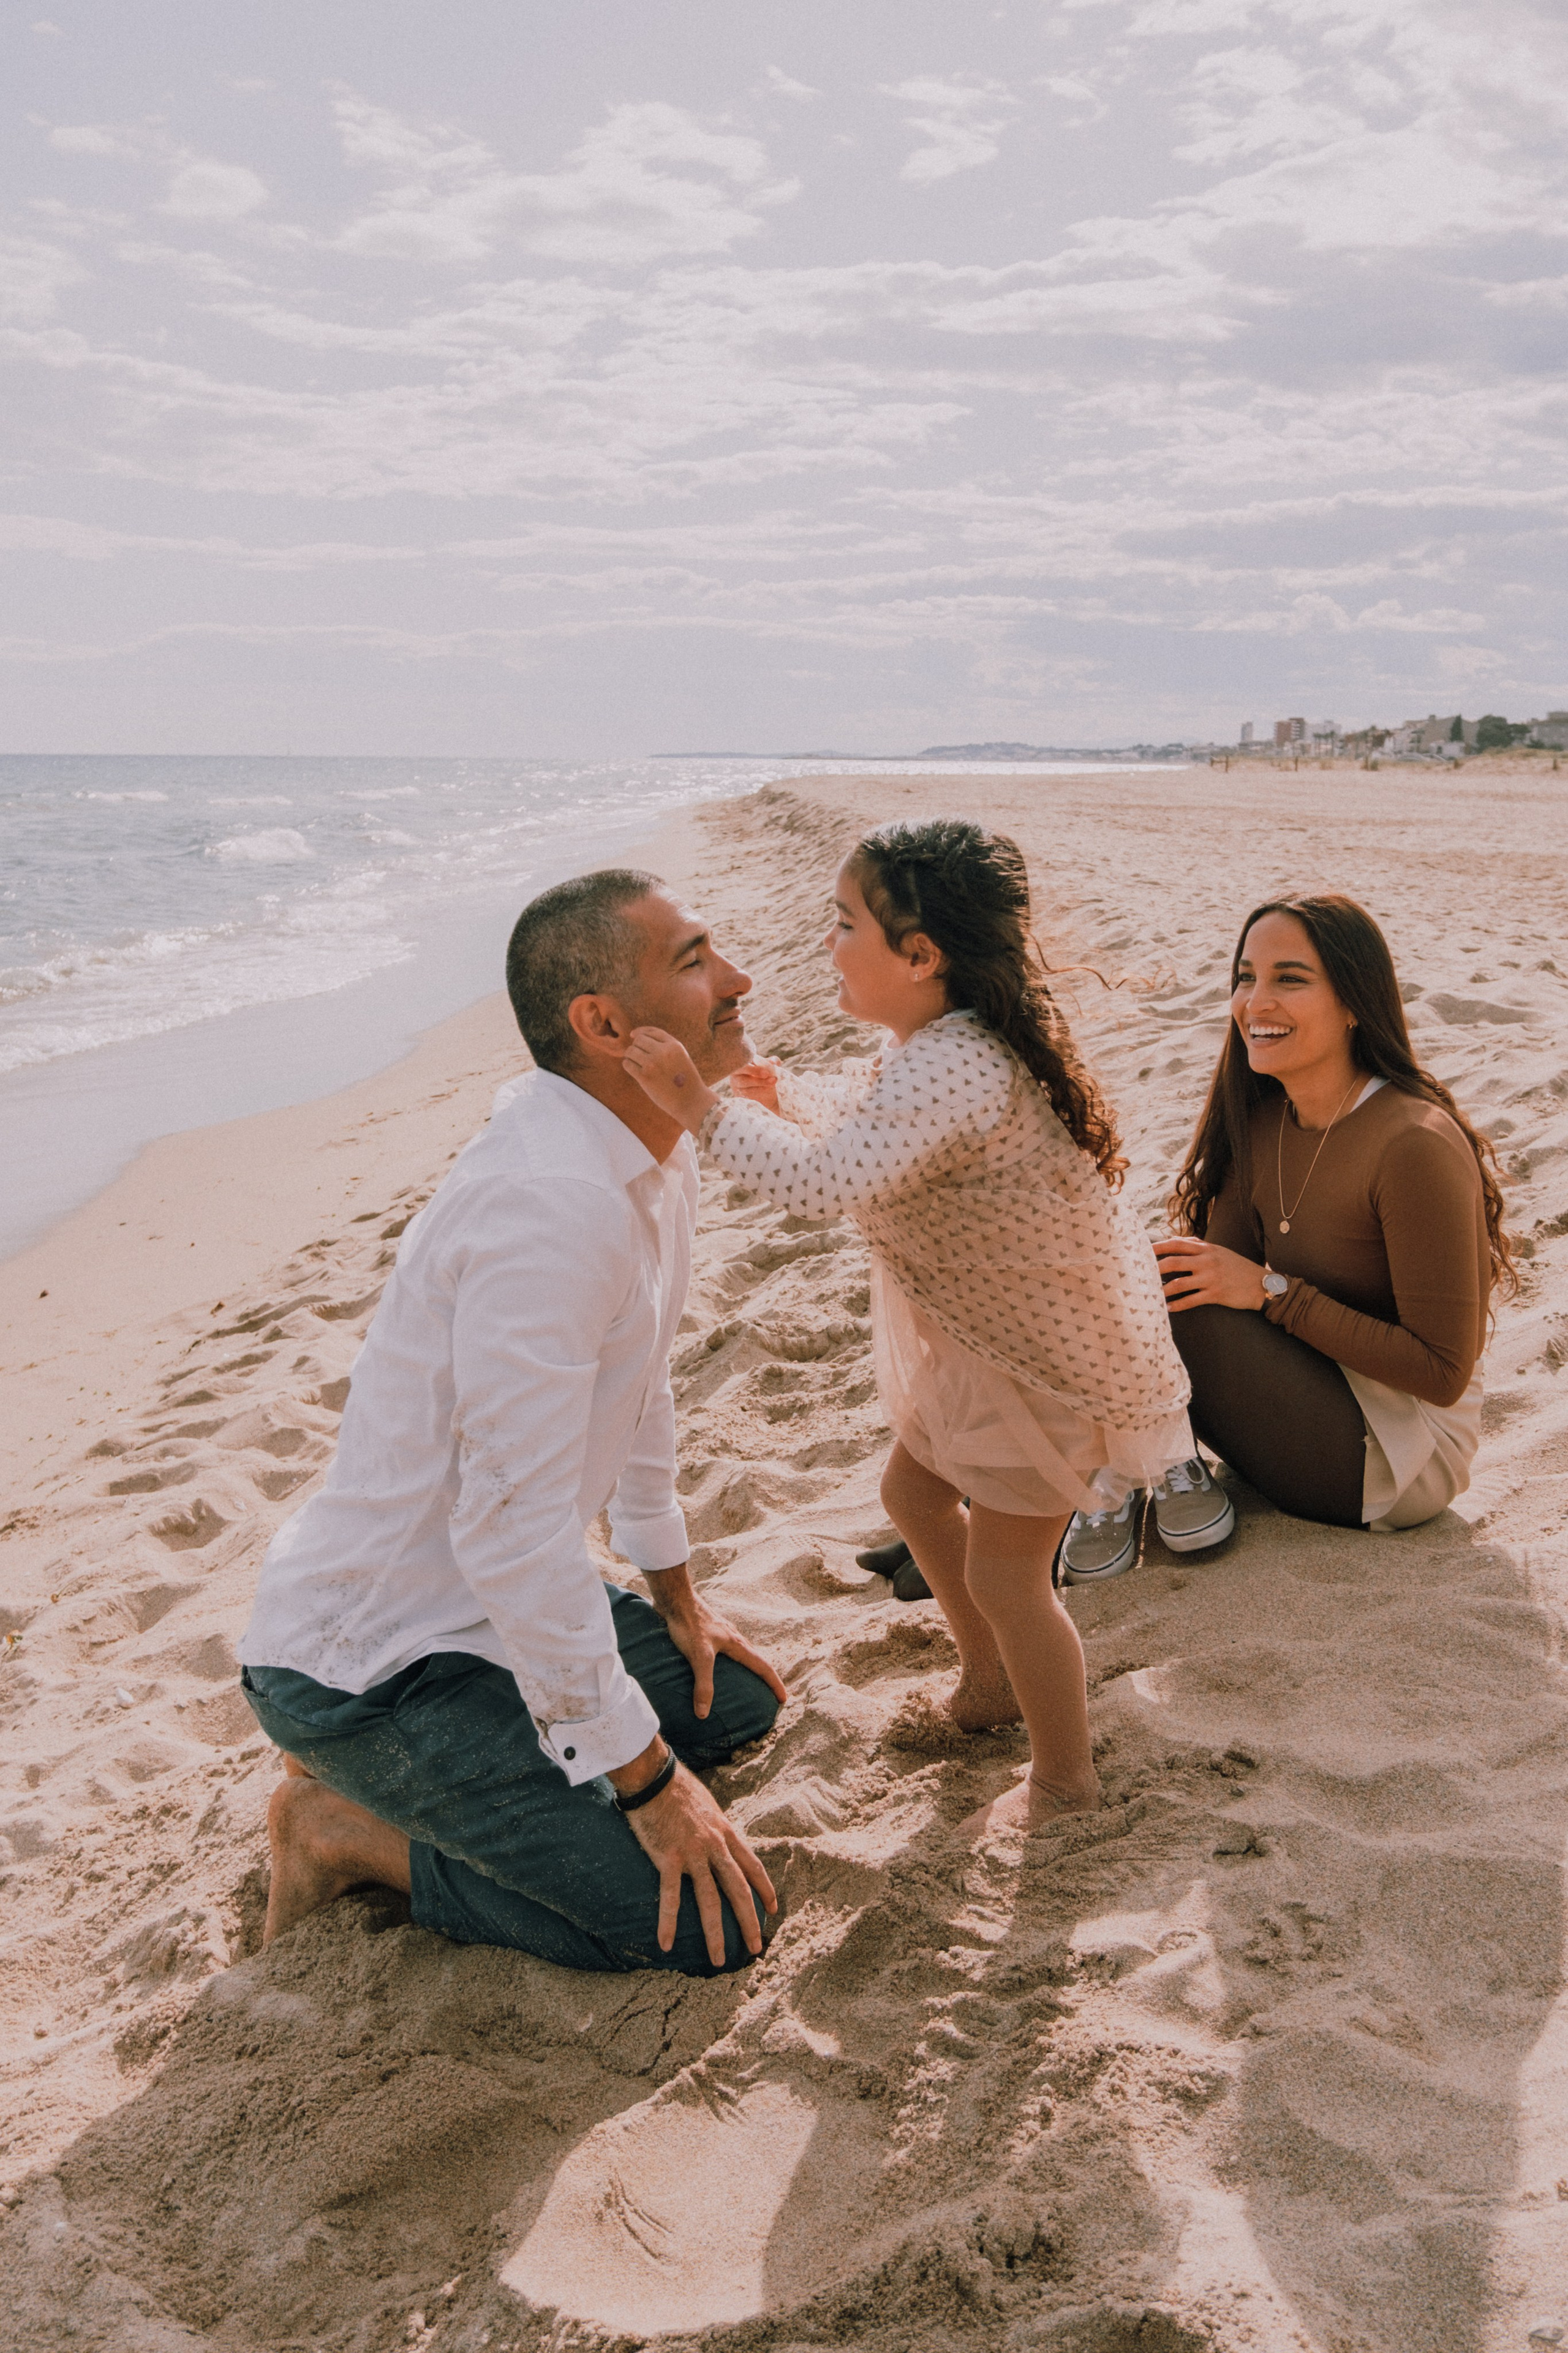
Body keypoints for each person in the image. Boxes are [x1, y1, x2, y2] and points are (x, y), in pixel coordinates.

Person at [238, 869, 787, 1976]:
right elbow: (510, 1536)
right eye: (695, 961)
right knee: (707, 1932)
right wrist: (646, 1786)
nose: (736, 980)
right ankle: (338, 1828)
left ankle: (449, 1778)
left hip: (486, 1609)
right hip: (375, 1663)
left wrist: (675, 1591)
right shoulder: (550, 1206)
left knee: (733, 1704)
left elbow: (637, 1384)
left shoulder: (649, 1152)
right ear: (602, 1024)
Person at [622, 818, 1194, 1836]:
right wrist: (785, 1090)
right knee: (911, 1495)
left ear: (921, 955)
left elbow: (830, 1176)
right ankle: (986, 1681)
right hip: (985, 1340)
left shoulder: (958, 1064)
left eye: (845, 926)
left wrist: (701, 1108)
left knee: (1009, 1572)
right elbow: (868, 1114)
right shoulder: (934, 1045)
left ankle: (1065, 1775)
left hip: (1039, 1364)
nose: (826, 947)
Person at [1143, 893, 1510, 1532]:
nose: (1256, 1003)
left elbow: (1442, 1372)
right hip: (1313, 1389)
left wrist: (1269, 1291)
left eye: (1289, 979)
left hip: (1402, 1447)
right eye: (1245, 978)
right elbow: (1202, 1278)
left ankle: (1083, 1494)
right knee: (1148, 1283)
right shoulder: (1259, 1121)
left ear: (1351, 1003)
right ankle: (1025, 1504)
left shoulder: (1412, 1142)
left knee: (1173, 1308)